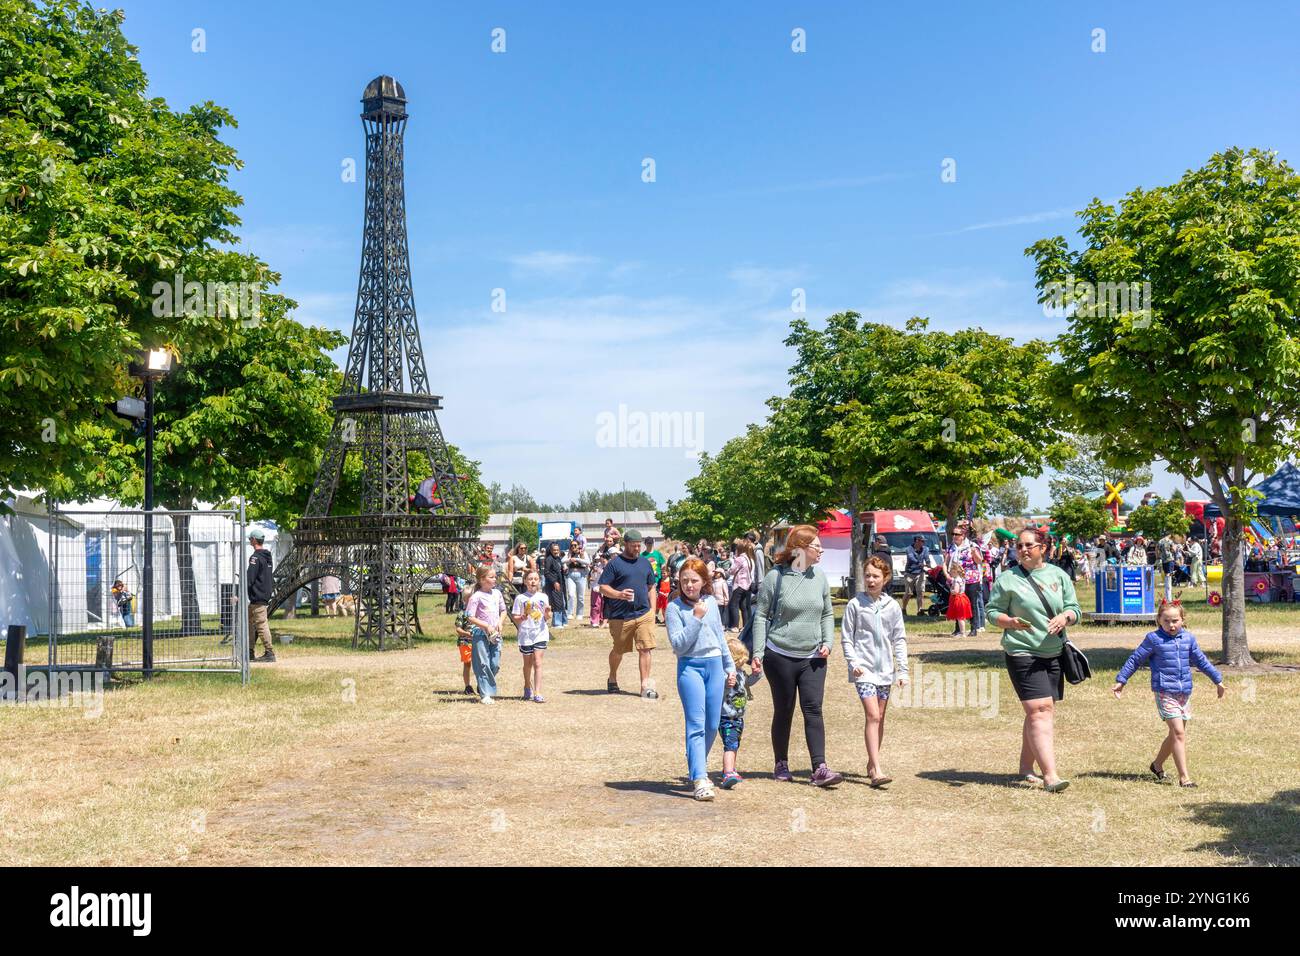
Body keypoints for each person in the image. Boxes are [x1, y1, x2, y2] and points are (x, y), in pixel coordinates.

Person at [985, 527, 1081, 793]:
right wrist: (1009, 621)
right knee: (1040, 711)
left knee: (1038, 712)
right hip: (1021, 651)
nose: (1023, 550)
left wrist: (1065, 618)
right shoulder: (1007, 579)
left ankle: (1026, 768)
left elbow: (1075, 609)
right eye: (1019, 546)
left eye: (1029, 545)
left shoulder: (1058, 575)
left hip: (1054, 652)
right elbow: (991, 612)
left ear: (1043, 548)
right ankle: (1050, 776)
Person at [751, 524, 843, 788]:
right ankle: (781, 763)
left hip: (813, 657)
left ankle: (820, 768)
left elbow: (827, 613)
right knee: (784, 710)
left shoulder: (820, 577)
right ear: (800, 549)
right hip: (779, 655)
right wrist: (758, 651)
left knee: (813, 709)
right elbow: (760, 617)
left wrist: (828, 641)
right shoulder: (776, 577)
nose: (821, 550)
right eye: (816, 546)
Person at [1112, 599, 1224, 787]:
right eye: (1166, 621)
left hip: (1184, 692)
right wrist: (1121, 680)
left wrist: (1217, 680)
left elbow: (1201, 661)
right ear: (1159, 620)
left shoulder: (1188, 639)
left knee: (1175, 735)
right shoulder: (1153, 639)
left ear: (1182, 620)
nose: (1171, 625)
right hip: (1165, 691)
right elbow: (1135, 659)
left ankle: (1157, 765)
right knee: (1179, 732)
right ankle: (1184, 778)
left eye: (1175, 621)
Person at [666, 557, 734, 800]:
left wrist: (730, 665)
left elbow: (719, 635)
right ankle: (700, 778)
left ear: (704, 581)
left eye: (694, 580)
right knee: (696, 723)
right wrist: (695, 618)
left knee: (712, 724)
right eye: (684, 581)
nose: (689, 585)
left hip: (715, 665)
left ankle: (696, 762)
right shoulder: (673, 608)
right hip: (690, 667)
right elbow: (679, 645)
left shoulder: (712, 603)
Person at [841, 556, 909, 788]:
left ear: (885, 578)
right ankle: (877, 771)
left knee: (880, 718)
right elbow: (847, 638)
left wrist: (902, 671)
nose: (870, 580)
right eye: (867, 575)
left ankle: (872, 762)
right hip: (864, 671)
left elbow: (899, 639)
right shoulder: (855, 605)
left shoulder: (891, 607)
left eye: (875, 576)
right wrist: (853, 662)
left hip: (885, 671)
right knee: (873, 716)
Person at [598, 529, 659, 698]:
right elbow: (603, 587)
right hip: (620, 616)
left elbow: (651, 587)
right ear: (626, 544)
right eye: (634, 546)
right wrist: (619, 594)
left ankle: (644, 685)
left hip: (643, 613)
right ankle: (612, 677)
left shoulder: (645, 563)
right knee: (618, 650)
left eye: (639, 546)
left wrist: (652, 611)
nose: (637, 549)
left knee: (645, 649)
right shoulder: (614, 564)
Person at [465, 565, 508, 704]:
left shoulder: (497, 594)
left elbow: (503, 610)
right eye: (491, 577)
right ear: (482, 579)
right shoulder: (476, 597)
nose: (495, 579)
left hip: (495, 635)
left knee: (494, 664)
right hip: (480, 634)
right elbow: (470, 616)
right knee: (483, 663)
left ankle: (483, 684)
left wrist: (500, 622)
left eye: (495, 576)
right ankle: (485, 694)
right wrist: (486, 626)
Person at [510, 569, 552, 703]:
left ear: (539, 581)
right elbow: (515, 617)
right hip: (526, 633)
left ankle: (538, 692)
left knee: (538, 662)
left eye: (535, 579)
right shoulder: (520, 598)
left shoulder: (543, 597)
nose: (533, 581)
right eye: (530, 579)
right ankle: (527, 686)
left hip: (540, 632)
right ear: (525, 581)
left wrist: (547, 613)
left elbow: (546, 618)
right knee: (527, 663)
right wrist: (522, 617)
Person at [718, 635, 753, 790]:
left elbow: (748, 682)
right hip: (726, 716)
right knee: (730, 745)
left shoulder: (741, 673)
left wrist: (757, 674)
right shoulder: (725, 674)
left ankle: (730, 769)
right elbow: (720, 686)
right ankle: (728, 773)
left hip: (738, 716)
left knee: (734, 744)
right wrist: (726, 682)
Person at [247, 529, 276, 663]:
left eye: (250, 539)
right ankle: (250, 651)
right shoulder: (267, 557)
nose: (249, 541)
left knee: (261, 624)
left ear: (254, 540)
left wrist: (240, 593)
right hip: (263, 595)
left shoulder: (255, 557)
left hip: (257, 596)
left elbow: (250, 578)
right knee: (250, 624)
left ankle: (269, 652)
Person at [726, 538, 754, 632]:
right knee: (743, 606)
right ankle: (745, 626)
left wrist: (730, 565)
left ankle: (735, 626)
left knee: (733, 605)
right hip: (747, 585)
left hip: (739, 585)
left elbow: (732, 571)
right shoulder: (749, 558)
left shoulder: (740, 559)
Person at [900, 535, 931, 616]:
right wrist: (919, 563)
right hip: (910, 573)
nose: (923, 543)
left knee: (920, 592)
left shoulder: (925, 549)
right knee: (909, 593)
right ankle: (903, 608)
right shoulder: (909, 549)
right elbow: (911, 558)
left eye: (924, 541)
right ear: (917, 541)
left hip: (920, 573)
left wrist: (928, 563)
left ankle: (920, 610)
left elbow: (927, 557)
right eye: (922, 541)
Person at [944, 547, 973, 636]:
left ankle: (962, 633)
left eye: (951, 571)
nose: (950, 573)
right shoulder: (960, 578)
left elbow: (955, 591)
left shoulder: (957, 580)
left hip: (958, 599)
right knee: (961, 617)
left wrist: (951, 590)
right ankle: (962, 632)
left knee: (960, 617)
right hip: (962, 597)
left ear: (955, 571)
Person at [541, 542, 568, 628]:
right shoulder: (549, 559)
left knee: (562, 602)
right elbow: (546, 572)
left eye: (557, 550)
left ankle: (563, 621)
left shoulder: (558, 559)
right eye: (554, 550)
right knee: (557, 603)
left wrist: (564, 571)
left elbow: (558, 571)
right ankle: (557, 623)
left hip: (561, 583)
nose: (556, 551)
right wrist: (554, 582)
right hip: (553, 585)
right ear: (551, 550)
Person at [452, 601, 475, 696]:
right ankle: (467, 686)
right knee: (467, 664)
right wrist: (466, 634)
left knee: (479, 664)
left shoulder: (478, 612)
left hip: (477, 642)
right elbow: (458, 629)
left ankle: (481, 685)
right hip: (465, 642)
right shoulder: (462, 613)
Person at [564, 541, 588, 622]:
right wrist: (570, 559)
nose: (573, 546)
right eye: (571, 545)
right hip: (570, 574)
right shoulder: (568, 553)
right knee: (571, 594)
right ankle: (570, 613)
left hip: (581, 575)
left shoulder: (583, 553)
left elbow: (588, 562)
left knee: (580, 597)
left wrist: (578, 559)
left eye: (575, 545)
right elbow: (562, 561)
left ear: (578, 546)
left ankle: (579, 613)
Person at [588, 556, 606, 627]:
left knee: (603, 604)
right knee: (595, 605)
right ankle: (594, 621)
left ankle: (601, 620)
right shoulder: (594, 568)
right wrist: (594, 571)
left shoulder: (605, 566)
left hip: (604, 588)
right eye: (596, 560)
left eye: (599, 559)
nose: (598, 561)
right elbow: (592, 578)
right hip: (596, 588)